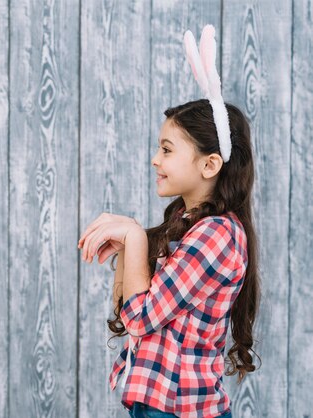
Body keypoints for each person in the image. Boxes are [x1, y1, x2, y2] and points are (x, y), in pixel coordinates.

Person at [77, 26, 261, 418]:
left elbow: (142, 317)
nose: (155, 160)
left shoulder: (218, 236)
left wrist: (132, 234)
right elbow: (131, 312)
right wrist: (130, 249)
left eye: (166, 149)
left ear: (210, 165)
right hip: (157, 404)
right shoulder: (189, 223)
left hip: (181, 409)